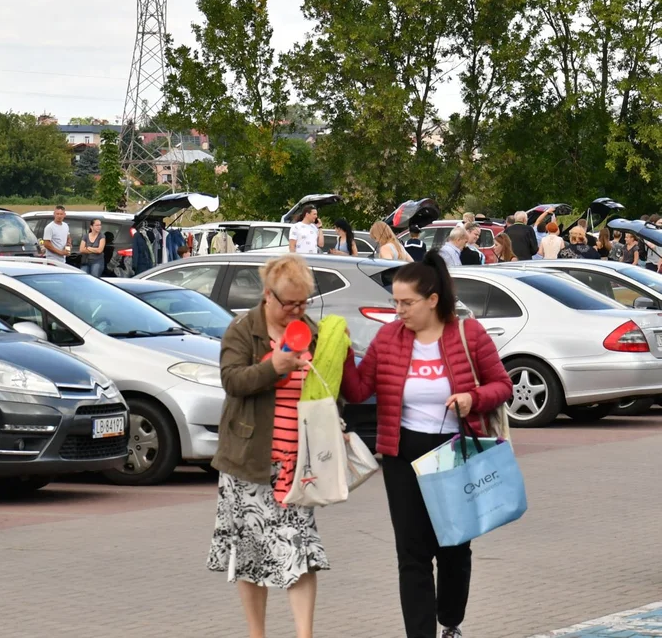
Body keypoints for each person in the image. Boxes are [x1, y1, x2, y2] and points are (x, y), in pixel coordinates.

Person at [340, 251, 513, 638]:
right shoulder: (388, 338)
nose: (398, 310)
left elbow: (503, 384)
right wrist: (343, 354)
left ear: (432, 300)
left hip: (455, 454)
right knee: (412, 555)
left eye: (406, 303)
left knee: (453, 549)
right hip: (403, 454)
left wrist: (473, 398)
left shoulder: (469, 334)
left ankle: (450, 620)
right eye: (394, 302)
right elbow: (358, 391)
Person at [209, 254, 353, 638]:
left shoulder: (314, 332)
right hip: (249, 462)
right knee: (251, 555)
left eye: (304, 303)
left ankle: (304, 635)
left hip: (297, 466)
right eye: (289, 303)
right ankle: (258, 634)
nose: (296, 311)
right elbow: (232, 381)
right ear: (268, 296)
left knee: (300, 552)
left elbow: (330, 390)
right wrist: (274, 367)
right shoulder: (243, 329)